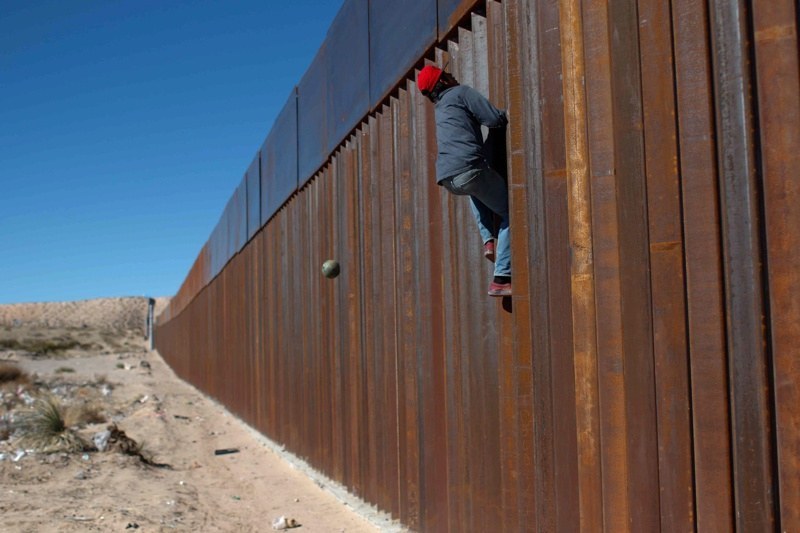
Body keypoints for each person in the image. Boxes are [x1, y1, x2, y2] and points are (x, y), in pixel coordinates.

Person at [416, 65, 511, 297]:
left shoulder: (441, 108)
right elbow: (494, 119)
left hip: (449, 178)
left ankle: (488, 238)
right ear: (443, 82)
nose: (453, 75)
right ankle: (501, 278)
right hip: (469, 169)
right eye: (446, 75)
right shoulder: (461, 93)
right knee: (511, 211)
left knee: (474, 187)